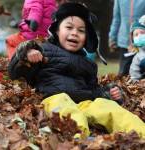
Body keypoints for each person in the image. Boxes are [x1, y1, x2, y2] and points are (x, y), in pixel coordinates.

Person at [8, 2, 145, 139]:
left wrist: (107, 93)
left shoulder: (88, 64)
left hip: (84, 103)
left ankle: (141, 133)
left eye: (81, 30)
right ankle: (79, 138)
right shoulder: (44, 50)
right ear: (56, 30)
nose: (74, 33)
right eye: (69, 27)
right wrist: (26, 53)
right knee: (64, 106)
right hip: (53, 98)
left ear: (86, 38)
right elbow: (15, 73)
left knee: (108, 107)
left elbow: (92, 89)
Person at [109, 0, 145, 76]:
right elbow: (116, 19)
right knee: (123, 73)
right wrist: (112, 38)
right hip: (124, 42)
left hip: (141, 43)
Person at [129, 15, 145, 81]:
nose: (139, 36)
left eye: (142, 33)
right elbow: (134, 74)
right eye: (136, 34)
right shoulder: (138, 57)